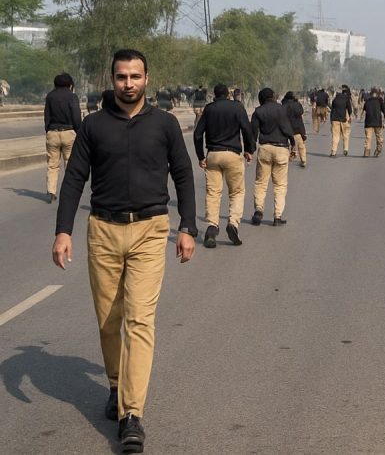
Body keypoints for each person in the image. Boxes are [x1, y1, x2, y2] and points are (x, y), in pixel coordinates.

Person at [51, 48, 197, 454]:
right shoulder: (94, 126)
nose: (128, 84)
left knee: (139, 319)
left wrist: (187, 226)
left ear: (147, 79)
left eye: (135, 77)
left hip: (151, 230)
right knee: (109, 319)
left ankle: (132, 413)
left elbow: (183, 175)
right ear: (112, 80)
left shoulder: (165, 124)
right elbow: (75, 179)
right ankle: (116, 386)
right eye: (121, 77)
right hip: (103, 231)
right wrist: (63, 231)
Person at [194, 83, 255, 248]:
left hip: (213, 154)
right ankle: (233, 223)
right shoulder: (237, 107)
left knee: (213, 193)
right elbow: (247, 130)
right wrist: (249, 150)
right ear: (228, 94)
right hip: (232, 154)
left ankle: (212, 227)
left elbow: (198, 134)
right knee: (236, 192)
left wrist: (200, 156)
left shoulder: (209, 109)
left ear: (214, 94)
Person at [250, 88, 295, 226]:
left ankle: (258, 209)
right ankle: (277, 216)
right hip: (281, 148)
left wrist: (250, 150)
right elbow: (287, 128)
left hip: (265, 148)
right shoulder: (281, 109)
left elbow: (253, 133)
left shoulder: (258, 111)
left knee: (261, 183)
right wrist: (293, 143)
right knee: (280, 185)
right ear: (273, 97)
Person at [44, 72, 81, 204]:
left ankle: (51, 191)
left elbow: (46, 116)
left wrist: (48, 131)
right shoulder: (72, 96)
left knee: (52, 164)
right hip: (68, 132)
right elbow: (76, 117)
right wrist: (80, 132)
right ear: (70, 85)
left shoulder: (50, 96)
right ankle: (69, 192)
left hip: (53, 133)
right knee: (69, 164)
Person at [282, 91, 308, 167]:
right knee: (301, 146)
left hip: (287, 130)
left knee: (287, 146)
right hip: (298, 129)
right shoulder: (297, 105)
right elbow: (301, 112)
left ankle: (287, 158)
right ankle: (303, 160)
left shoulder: (284, 106)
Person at [329, 85, 355, 157]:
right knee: (346, 135)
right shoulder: (347, 99)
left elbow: (332, 109)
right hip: (343, 119)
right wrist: (350, 116)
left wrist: (331, 120)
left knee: (335, 136)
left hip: (335, 119)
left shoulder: (335, 99)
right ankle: (345, 149)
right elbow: (349, 109)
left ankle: (333, 151)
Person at [362, 87, 385, 157]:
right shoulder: (380, 100)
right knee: (379, 137)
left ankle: (366, 152)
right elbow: (384, 110)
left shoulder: (367, 101)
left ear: (371, 94)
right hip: (378, 122)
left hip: (368, 122)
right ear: (377, 94)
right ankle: (378, 149)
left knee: (368, 138)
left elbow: (365, 109)